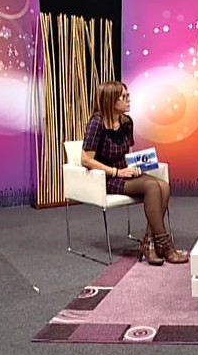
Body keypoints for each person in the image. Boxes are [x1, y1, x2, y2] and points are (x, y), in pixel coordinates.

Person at [80, 80, 188, 265]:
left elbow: (127, 153)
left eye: (128, 95)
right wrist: (116, 172)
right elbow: (86, 160)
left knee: (163, 186)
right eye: (124, 97)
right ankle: (165, 246)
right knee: (152, 187)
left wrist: (134, 166)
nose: (128, 100)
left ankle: (149, 243)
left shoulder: (127, 122)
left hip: (125, 171)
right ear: (111, 101)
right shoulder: (97, 123)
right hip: (107, 177)